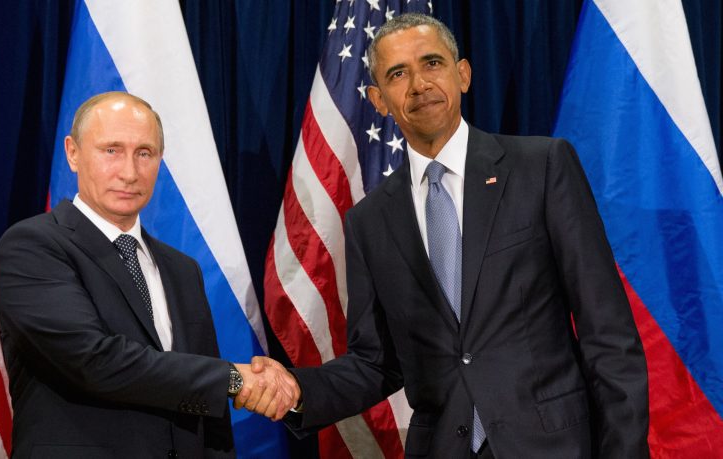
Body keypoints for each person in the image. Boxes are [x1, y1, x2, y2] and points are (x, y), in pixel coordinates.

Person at [245, 13, 648, 458]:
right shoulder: (369, 222)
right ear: (379, 99)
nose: (418, 84)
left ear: (463, 75)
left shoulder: (542, 167)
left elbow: (607, 334)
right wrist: (295, 388)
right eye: (398, 74)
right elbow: (374, 363)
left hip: (554, 445)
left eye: (432, 63)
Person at [0, 92, 298, 458]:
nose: (129, 172)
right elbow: (93, 361)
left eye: (144, 153)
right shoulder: (32, 246)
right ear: (73, 153)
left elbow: (207, 415)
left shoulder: (182, 269)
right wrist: (233, 378)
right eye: (111, 150)